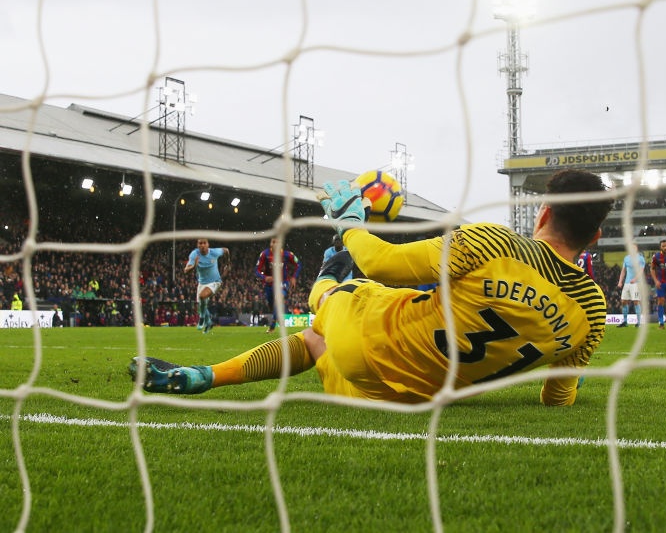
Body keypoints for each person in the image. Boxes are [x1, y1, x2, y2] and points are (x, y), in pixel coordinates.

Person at [129, 168, 614, 406]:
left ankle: (325, 273)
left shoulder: (496, 243)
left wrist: (350, 223)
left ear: (545, 212)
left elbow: (384, 263)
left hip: (375, 336)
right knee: (318, 345)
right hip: (403, 399)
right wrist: (569, 373)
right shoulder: (592, 310)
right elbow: (557, 397)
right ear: (595, 236)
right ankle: (209, 373)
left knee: (330, 304)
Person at [183, 238, 230, 334]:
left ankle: (202, 319)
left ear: (208, 244)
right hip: (202, 283)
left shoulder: (214, 252)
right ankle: (209, 323)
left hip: (215, 282)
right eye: (200, 243)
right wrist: (194, 266)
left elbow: (226, 250)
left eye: (204, 243)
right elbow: (186, 271)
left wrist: (227, 263)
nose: (202, 245)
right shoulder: (194, 254)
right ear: (198, 245)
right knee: (200, 307)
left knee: (202, 296)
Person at [255, 237, 301, 333]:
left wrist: (294, 277)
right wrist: (264, 277)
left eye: (277, 242)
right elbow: (256, 270)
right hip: (269, 284)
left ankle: (272, 325)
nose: (275, 244)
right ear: (270, 243)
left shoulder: (287, 254)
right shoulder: (265, 254)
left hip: (283, 282)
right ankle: (278, 316)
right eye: (273, 242)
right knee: (272, 304)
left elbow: (298, 264)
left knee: (278, 299)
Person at [616, 243, 645, 328]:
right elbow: (623, 271)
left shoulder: (640, 258)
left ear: (636, 249)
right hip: (627, 283)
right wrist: (620, 281)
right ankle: (625, 322)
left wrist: (635, 279)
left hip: (636, 283)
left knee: (636, 302)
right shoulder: (626, 258)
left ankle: (638, 323)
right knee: (624, 301)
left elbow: (641, 271)